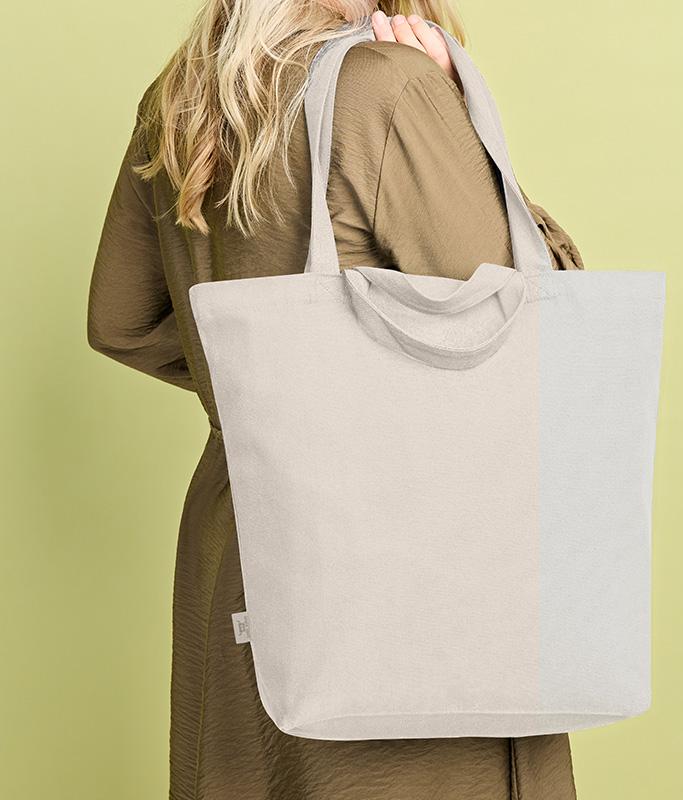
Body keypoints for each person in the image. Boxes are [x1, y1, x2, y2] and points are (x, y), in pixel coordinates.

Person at [88, 2, 584, 798]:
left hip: (237, 536)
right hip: (403, 552)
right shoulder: (388, 84)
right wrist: (466, 126)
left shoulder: (180, 100)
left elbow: (121, 320)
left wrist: (270, 399)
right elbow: (521, 319)